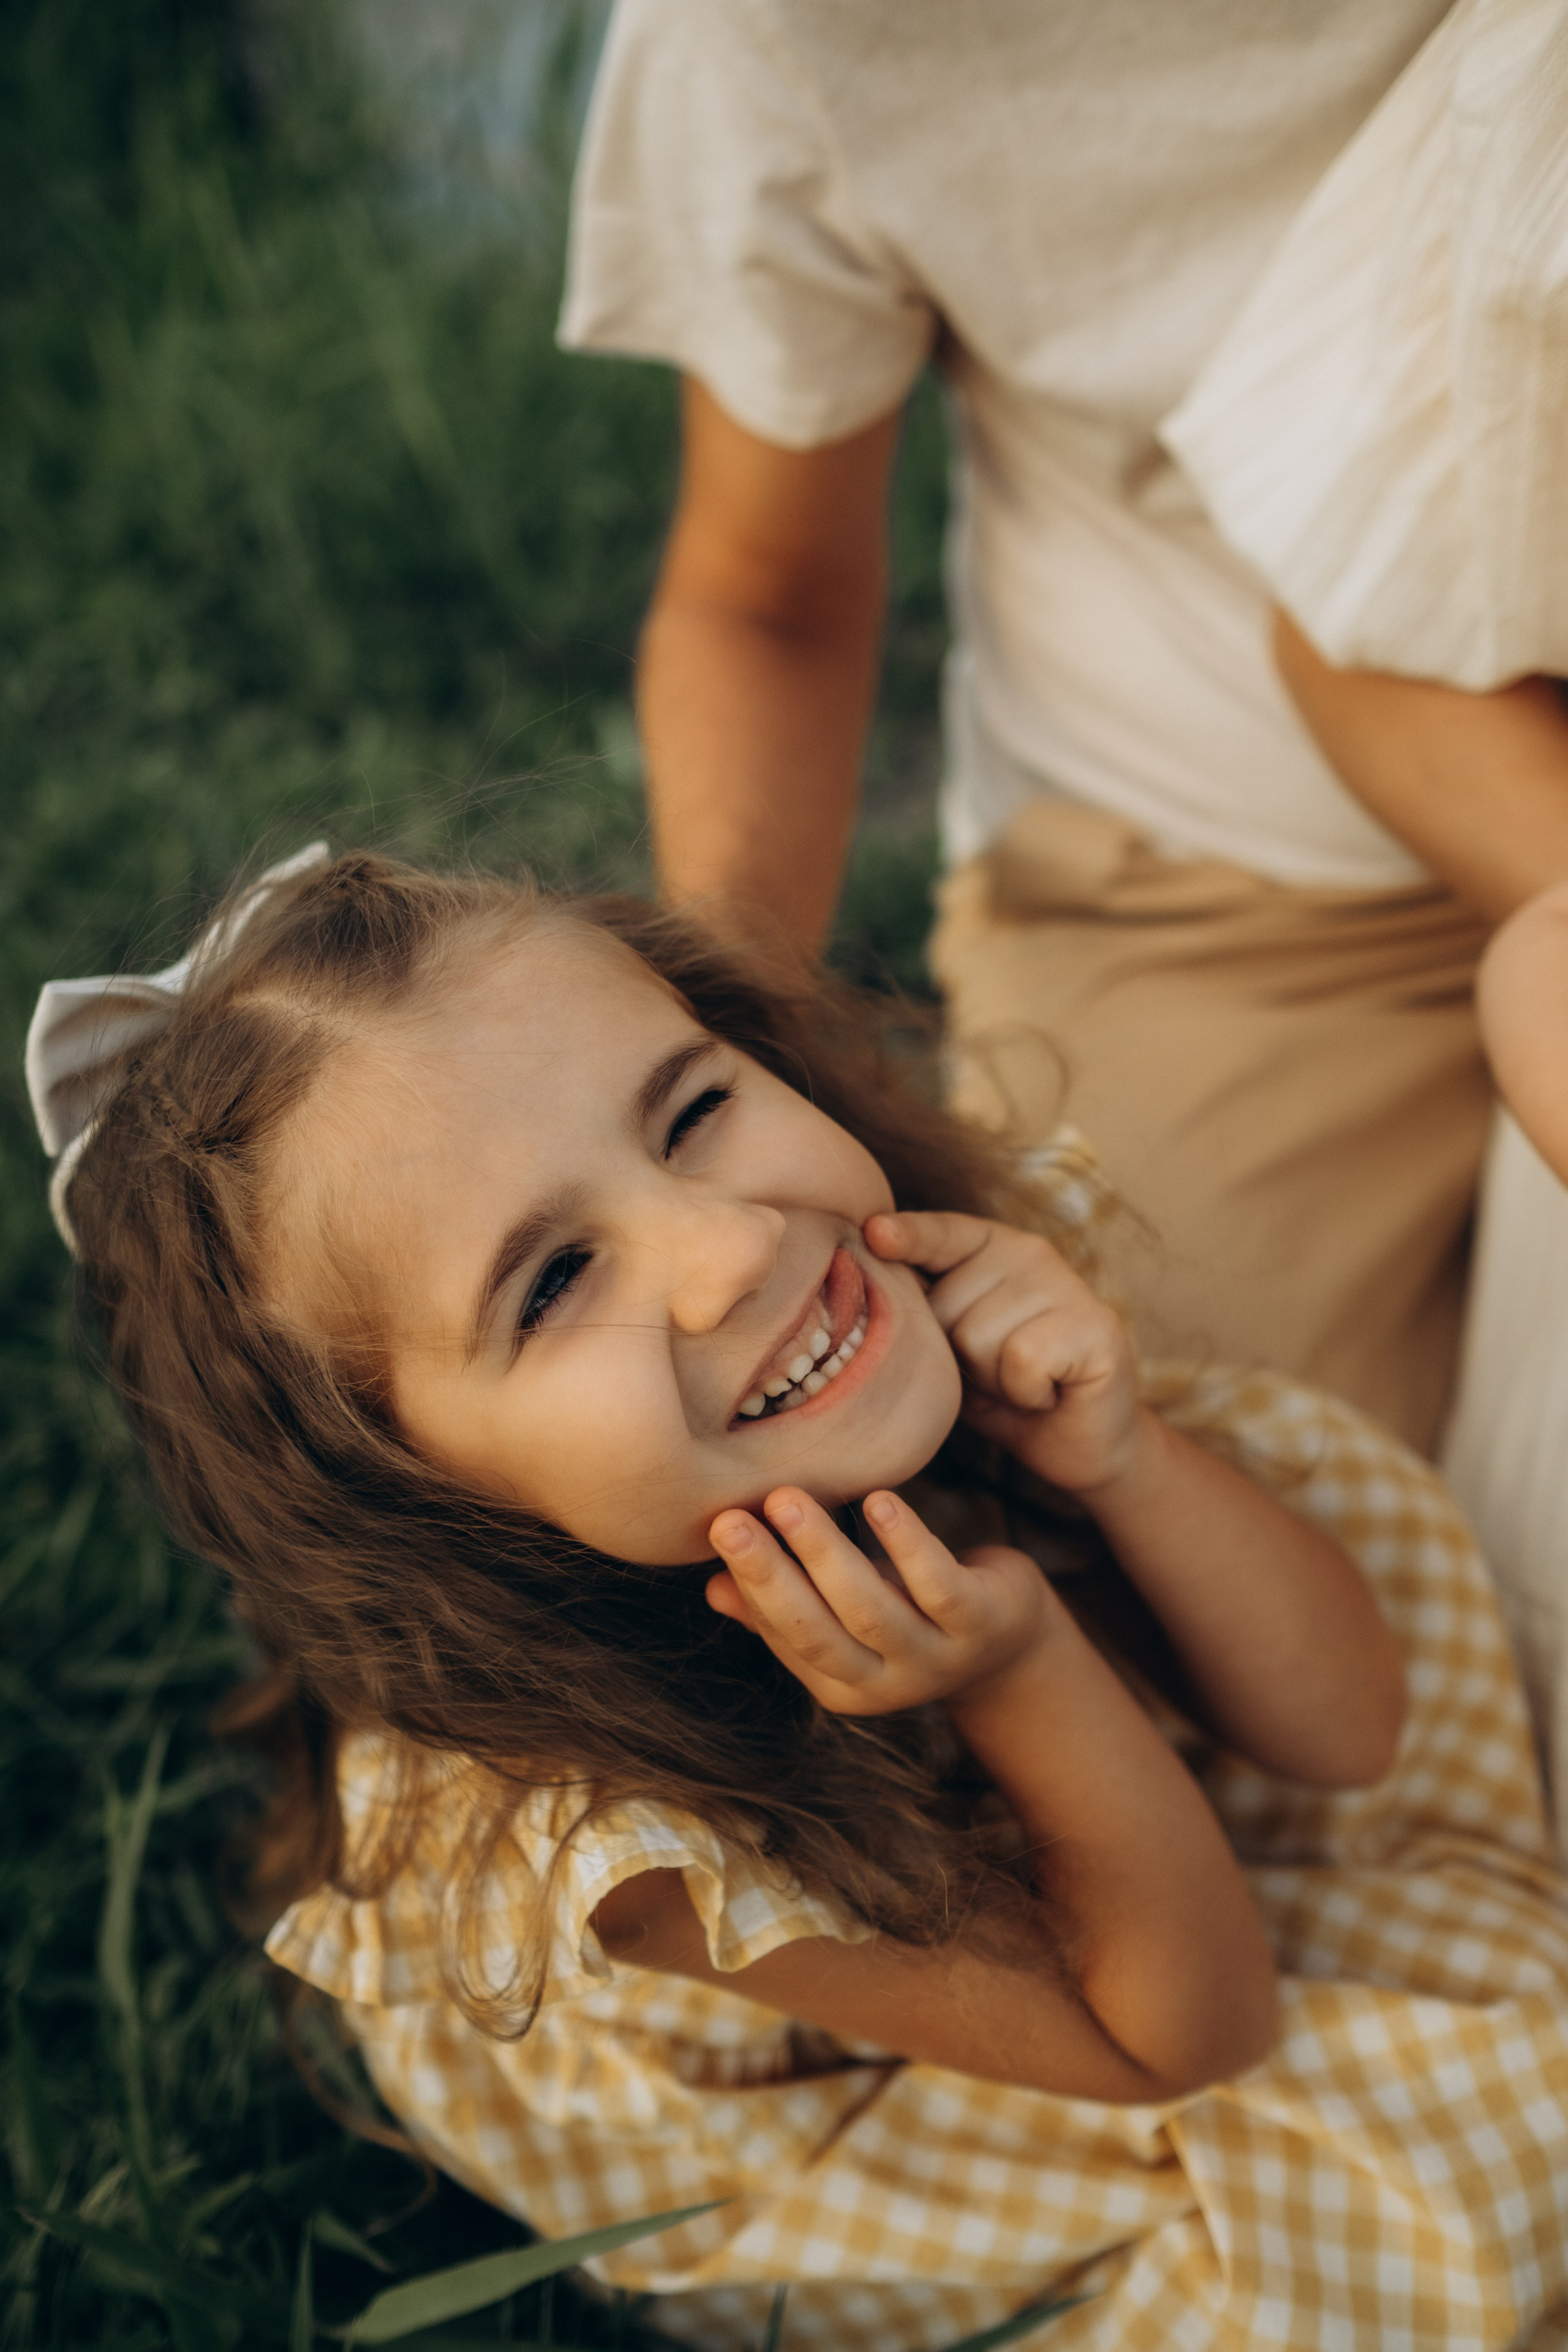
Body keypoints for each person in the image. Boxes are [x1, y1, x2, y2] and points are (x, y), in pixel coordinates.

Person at [26, 846, 1568, 2350]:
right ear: (415, 1491)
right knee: (1467, 2172)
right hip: (984, 2123)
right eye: (553, 1283)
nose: (731, 1245)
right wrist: (1019, 1663)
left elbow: (1353, 1729)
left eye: (690, 1112)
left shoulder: (918, 1327)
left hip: (1146, 1911)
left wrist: (1123, 1463)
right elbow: (1186, 2039)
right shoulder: (605, 1846)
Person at [557, 0, 1568, 1456]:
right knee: (1191, 1527)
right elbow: (764, 596)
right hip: (1192, 875)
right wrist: (729, 1056)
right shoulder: (769, 32)